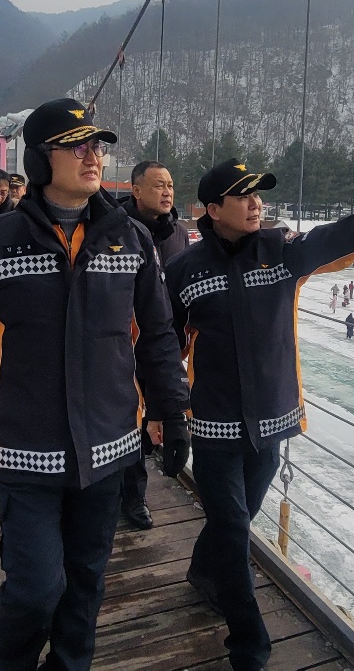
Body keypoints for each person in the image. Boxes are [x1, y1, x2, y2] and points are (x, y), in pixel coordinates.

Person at [163, 155, 354, 671]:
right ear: (213, 209)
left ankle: (205, 574)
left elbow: (336, 238)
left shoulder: (281, 252)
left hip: (272, 421)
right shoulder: (184, 270)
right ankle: (250, 644)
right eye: (242, 196)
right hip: (213, 424)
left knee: (236, 521)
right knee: (233, 527)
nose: (256, 204)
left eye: (258, 194)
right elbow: (166, 341)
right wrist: (167, 405)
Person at [0, 100, 190, 671]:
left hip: (109, 444)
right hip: (26, 447)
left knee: (86, 581)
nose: (92, 156)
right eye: (77, 146)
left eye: (97, 146)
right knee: (35, 588)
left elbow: (158, 335)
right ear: (41, 159)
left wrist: (171, 412)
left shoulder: (132, 240)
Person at [115, 159, 193, 532]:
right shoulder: (115, 230)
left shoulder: (179, 234)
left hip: (165, 347)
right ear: (136, 190)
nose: (167, 192)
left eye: (171, 186)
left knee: (153, 422)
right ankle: (133, 497)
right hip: (124, 347)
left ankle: (131, 487)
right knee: (128, 423)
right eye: (158, 185)